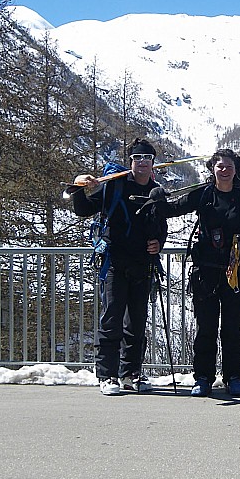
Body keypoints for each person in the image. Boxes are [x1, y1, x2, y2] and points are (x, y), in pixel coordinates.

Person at [71, 138, 168, 395]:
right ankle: (107, 375)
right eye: (138, 158)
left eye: (147, 158)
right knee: (112, 318)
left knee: (137, 322)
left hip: (143, 265)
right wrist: (80, 187)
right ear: (131, 162)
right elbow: (84, 209)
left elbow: (162, 226)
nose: (143, 163)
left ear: (153, 163)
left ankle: (131, 373)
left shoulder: (156, 192)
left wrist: (158, 243)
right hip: (114, 262)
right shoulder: (114, 187)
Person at [162, 148, 240, 397]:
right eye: (220, 166)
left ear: (236, 170)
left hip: (235, 272)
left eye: (229, 166)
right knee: (205, 328)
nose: (224, 170)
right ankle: (203, 377)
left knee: (232, 328)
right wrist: (156, 198)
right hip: (205, 272)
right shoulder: (204, 195)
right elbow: (173, 209)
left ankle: (234, 377)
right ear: (212, 169)